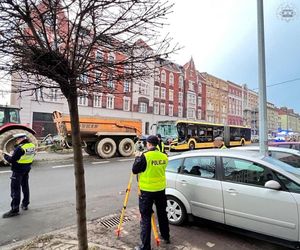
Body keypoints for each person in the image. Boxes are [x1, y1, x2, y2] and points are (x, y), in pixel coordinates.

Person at [132, 135, 170, 250]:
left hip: (147, 192)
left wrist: (137, 158)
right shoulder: (164, 156)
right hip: (161, 190)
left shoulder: (145, 156)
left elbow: (135, 170)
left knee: (146, 217)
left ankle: (145, 246)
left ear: (148, 144)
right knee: (162, 213)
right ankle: (166, 236)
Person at [1, 133, 36, 218]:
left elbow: (12, 160)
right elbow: (30, 155)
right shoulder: (32, 145)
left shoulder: (20, 148)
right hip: (27, 168)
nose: (16, 141)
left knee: (15, 189)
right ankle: (25, 204)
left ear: (20, 139)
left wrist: (4, 155)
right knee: (25, 186)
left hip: (18, 170)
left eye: (16, 140)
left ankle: (14, 209)